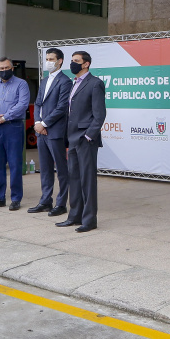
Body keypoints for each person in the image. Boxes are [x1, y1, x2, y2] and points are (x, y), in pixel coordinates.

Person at [56, 51, 106, 233]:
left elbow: (99, 115)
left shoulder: (95, 84)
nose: (72, 64)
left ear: (86, 64)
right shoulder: (73, 84)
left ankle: (89, 219)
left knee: (87, 180)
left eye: (76, 61)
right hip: (72, 138)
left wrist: (88, 136)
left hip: (85, 140)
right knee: (74, 179)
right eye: (72, 61)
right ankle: (74, 216)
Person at [0, 57, 30, 211]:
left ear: (12, 68)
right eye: (1, 69)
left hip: (12, 127)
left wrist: (3, 118)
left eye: (6, 68)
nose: (4, 71)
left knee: (15, 164)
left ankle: (15, 198)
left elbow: (22, 105)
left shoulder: (21, 84)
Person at [28, 48, 72, 216]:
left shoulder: (65, 81)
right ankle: (45, 201)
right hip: (42, 132)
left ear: (60, 61)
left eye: (51, 58)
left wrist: (45, 123)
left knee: (61, 169)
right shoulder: (44, 80)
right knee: (45, 168)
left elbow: (62, 108)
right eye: (47, 58)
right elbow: (38, 103)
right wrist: (38, 123)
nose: (48, 61)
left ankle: (61, 204)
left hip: (55, 132)